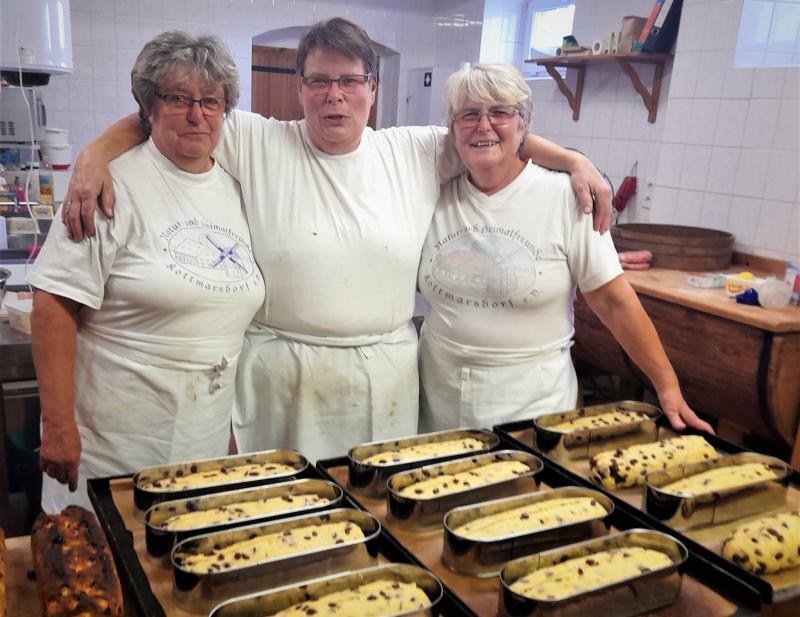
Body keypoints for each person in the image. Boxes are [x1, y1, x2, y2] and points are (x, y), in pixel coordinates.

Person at [60, 19, 614, 460]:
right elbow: (174, 111)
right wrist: (93, 155)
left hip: (385, 378)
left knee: (368, 521)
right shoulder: (257, 139)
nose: (335, 96)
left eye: (350, 81)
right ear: (299, 89)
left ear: (372, 89)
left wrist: (573, 160)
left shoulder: (414, 150)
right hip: (280, 378)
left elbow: (489, 132)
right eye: (319, 81)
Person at [29, 32, 264, 511]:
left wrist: (232, 430)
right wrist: (56, 426)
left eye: (211, 101)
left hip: (204, 440)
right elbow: (52, 301)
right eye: (178, 98)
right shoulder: (109, 186)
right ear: (148, 107)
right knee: (99, 570)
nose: (197, 114)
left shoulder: (237, 189)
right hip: (114, 444)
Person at [418, 64, 713, 434]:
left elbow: (614, 301)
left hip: (533, 405)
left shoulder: (566, 198)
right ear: (452, 126)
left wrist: (666, 387)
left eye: (499, 113)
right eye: (469, 114)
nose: (483, 125)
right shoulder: (433, 193)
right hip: (438, 401)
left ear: (524, 124)